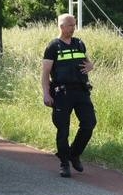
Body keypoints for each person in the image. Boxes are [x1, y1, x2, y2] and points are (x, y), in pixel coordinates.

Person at [41, 14, 96, 178]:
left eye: (74, 25)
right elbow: (45, 74)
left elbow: (87, 62)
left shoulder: (79, 43)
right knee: (63, 129)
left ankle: (74, 154)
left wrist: (90, 66)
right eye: (70, 25)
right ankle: (64, 163)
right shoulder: (53, 47)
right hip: (62, 93)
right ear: (61, 26)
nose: (73, 28)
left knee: (89, 123)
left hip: (81, 91)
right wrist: (46, 94)